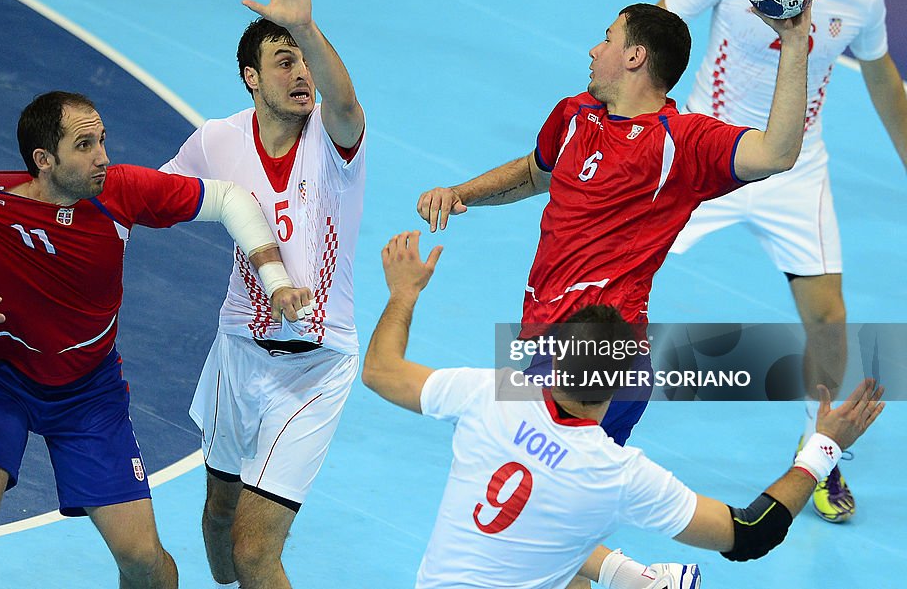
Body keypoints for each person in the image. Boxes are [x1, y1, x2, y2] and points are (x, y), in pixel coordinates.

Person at [0, 91, 311, 589]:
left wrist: (276, 280)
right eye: (85, 145)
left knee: (143, 563)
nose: (103, 156)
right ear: (44, 160)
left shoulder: (121, 191)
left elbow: (230, 199)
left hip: (89, 394)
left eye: (102, 140)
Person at [362, 230, 884, 589]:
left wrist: (404, 293)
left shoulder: (488, 393)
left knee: (547, 536)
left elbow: (381, 371)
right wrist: (825, 446)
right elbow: (751, 533)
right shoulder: (614, 475)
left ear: (553, 356)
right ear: (625, 384)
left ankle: (632, 578)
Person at [417, 1, 811, 448]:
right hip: (566, 344)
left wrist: (795, 44)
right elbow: (535, 172)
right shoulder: (574, 114)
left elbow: (775, 154)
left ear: (634, 56)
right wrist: (460, 193)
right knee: (575, 505)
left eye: (607, 38)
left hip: (597, 350)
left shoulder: (681, 142)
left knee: (505, 465)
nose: (592, 50)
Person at [657, 0, 907, 524]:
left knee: (828, 316)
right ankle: (558, 400)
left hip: (794, 167)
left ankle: (818, 450)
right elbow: (658, 30)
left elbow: (883, 82)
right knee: (609, 267)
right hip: (708, 151)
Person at [159, 0, 366, 589]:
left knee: (254, 550)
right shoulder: (216, 140)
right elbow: (154, 198)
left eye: (305, 60)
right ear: (251, 77)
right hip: (237, 352)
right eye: (285, 62)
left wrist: (305, 27)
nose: (301, 73)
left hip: (317, 365)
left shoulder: (335, 141)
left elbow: (346, 100)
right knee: (220, 519)